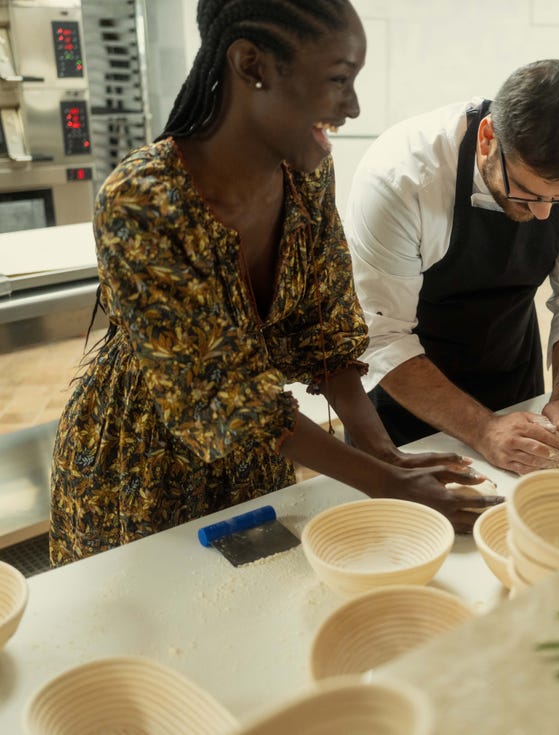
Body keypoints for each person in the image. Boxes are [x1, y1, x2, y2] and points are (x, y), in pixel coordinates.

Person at [48, 0, 498, 567]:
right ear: (252, 65)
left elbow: (326, 332)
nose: (354, 107)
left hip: (255, 459)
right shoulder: (142, 200)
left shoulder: (306, 176)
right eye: (339, 79)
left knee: (257, 613)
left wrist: (382, 451)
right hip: (137, 466)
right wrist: (383, 483)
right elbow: (222, 396)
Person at [345, 59, 559, 476]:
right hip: (404, 393)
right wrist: (484, 429)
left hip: (510, 369)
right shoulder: (401, 177)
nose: (544, 214)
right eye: (526, 192)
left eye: (558, 198)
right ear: (488, 138)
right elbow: (382, 337)